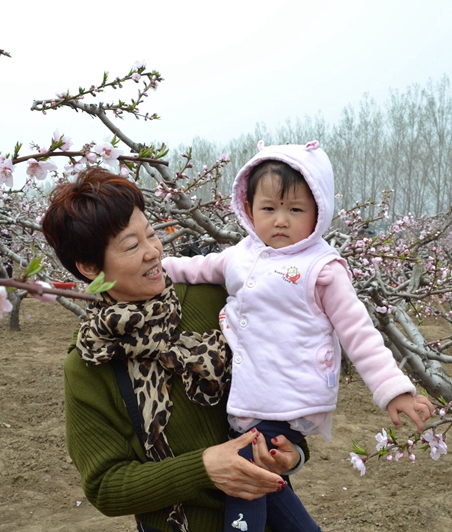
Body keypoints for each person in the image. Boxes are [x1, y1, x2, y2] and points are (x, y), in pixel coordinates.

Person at [162, 142, 435, 532]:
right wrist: (154, 267)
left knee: (248, 481)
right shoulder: (241, 254)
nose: (281, 221)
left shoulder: (321, 268)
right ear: (249, 208)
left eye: (295, 210)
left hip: (289, 398)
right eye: (269, 208)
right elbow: (196, 268)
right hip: (249, 398)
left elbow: (358, 331)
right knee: (273, 489)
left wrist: (393, 389)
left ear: (318, 214)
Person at [41, 166, 305, 532]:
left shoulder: (214, 299)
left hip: (269, 517)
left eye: (151, 234)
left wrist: (292, 452)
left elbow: (283, 384)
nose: (153, 252)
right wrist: (203, 469)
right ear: (88, 266)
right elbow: (105, 485)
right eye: (131, 245)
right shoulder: (89, 364)